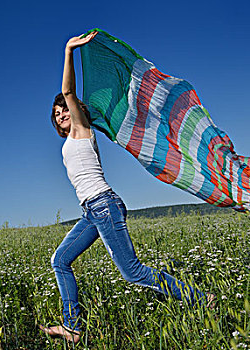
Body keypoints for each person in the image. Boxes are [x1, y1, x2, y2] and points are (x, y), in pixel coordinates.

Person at [39, 31, 214, 343]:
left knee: (132, 272)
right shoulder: (68, 141)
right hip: (91, 211)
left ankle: (200, 298)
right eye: (57, 114)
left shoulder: (82, 128)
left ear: (75, 111)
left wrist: (68, 49)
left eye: (64, 109)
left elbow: (67, 90)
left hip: (103, 204)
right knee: (60, 261)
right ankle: (73, 328)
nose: (62, 114)